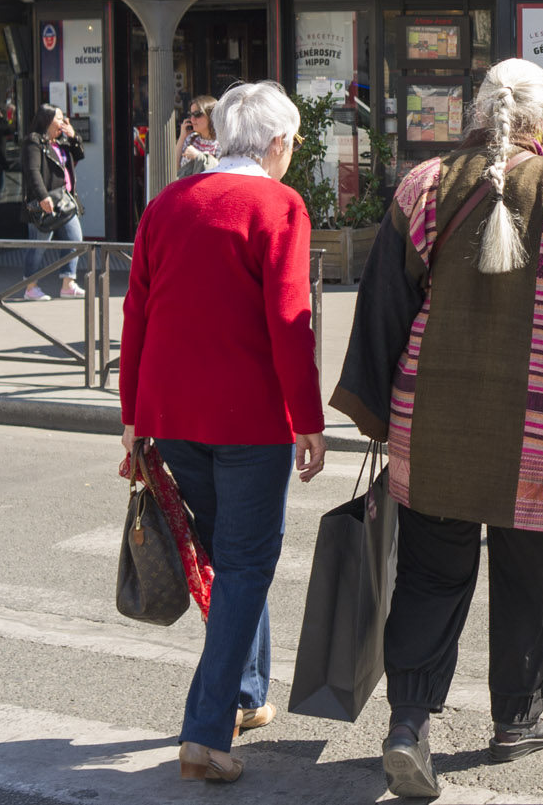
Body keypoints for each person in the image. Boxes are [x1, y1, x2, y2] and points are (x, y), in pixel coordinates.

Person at [331, 58, 543, 799]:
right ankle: (517, 717)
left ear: (480, 113)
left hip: (435, 428)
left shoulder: (422, 186)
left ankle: (409, 723)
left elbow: (383, 306)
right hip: (541, 434)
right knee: (528, 575)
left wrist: (369, 403)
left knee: (428, 575)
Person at [119, 80, 327, 784]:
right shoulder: (278, 204)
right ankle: (205, 731)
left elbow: (137, 316)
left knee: (231, 555)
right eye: (292, 143)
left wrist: (131, 418)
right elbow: (290, 322)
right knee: (245, 563)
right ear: (274, 144)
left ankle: (246, 691)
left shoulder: (168, 203)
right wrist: (309, 419)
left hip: (173, 415)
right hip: (250, 419)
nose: (291, 154)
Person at [19, 103, 87, 301]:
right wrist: (42, 197)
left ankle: (68, 283)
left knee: (75, 239)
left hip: (65, 200)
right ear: (46, 120)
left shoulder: (61, 143)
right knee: (39, 244)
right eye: (59, 118)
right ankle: (30, 286)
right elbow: (32, 172)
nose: (63, 122)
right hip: (46, 202)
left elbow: (79, 155)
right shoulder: (34, 142)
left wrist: (74, 137)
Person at [177, 94, 220, 179]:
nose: (192, 119)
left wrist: (198, 156)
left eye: (197, 114)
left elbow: (222, 172)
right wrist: (182, 137)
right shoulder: (191, 139)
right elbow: (176, 167)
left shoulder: (221, 142)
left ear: (210, 115)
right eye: (191, 114)